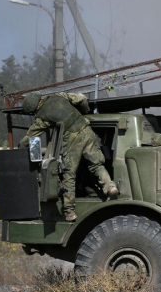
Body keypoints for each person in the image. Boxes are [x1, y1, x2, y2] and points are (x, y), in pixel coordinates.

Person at [19, 91, 118, 221]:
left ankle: (69, 211)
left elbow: (30, 136)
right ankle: (110, 187)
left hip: (73, 138)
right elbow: (81, 98)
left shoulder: (42, 117)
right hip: (87, 130)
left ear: (33, 109)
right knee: (96, 165)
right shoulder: (59, 96)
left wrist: (20, 147)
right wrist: (85, 111)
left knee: (69, 173)